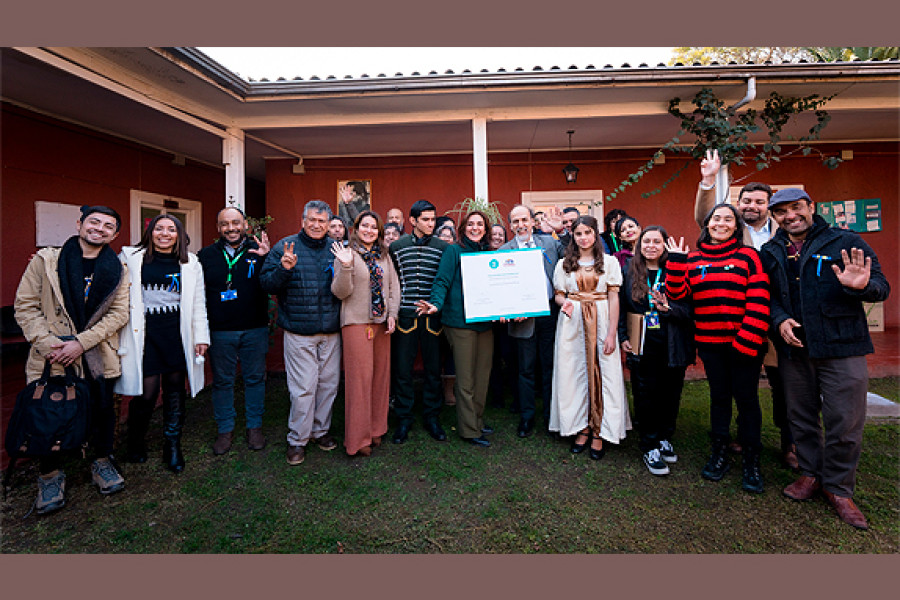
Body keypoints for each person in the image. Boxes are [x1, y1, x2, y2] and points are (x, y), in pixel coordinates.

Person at [760, 188, 890, 530]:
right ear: (774, 216)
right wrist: (778, 319)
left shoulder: (844, 240)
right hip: (795, 348)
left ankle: (839, 487)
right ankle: (810, 474)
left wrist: (860, 286)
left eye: (796, 208)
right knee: (800, 418)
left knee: (844, 421)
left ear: (811, 208)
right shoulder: (770, 251)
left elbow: (880, 285)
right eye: (782, 211)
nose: (790, 215)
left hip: (841, 345)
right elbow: (767, 296)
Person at [14, 206, 130, 514]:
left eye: (108, 226)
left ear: (115, 234)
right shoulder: (46, 261)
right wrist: (48, 344)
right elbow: (26, 306)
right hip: (51, 353)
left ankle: (102, 461)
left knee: (103, 409)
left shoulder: (118, 269)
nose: (100, 229)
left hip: (95, 353)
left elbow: (120, 313)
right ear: (80, 223)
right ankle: (50, 475)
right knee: (49, 412)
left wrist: (81, 342)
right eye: (94, 222)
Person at [695, 149, 796, 469]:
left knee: (785, 386)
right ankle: (735, 439)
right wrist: (708, 181)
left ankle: (790, 442)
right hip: (731, 328)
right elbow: (706, 215)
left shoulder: (783, 233)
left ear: (769, 206)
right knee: (732, 390)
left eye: (759, 202)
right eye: (746, 201)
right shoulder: (730, 234)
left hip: (778, 316)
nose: (751, 206)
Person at [665, 203, 770, 493]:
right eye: (715, 219)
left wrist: (746, 340)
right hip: (710, 344)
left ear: (736, 226)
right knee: (719, 398)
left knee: (747, 401)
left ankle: (751, 460)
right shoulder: (694, 259)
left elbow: (760, 299)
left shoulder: (749, 256)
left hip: (745, 343)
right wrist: (675, 261)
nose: (720, 223)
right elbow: (677, 294)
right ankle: (719, 452)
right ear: (707, 224)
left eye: (727, 219)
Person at [116, 214, 210, 474]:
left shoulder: (190, 262)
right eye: (159, 229)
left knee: (174, 390)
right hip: (143, 336)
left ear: (179, 234)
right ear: (150, 232)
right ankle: (135, 440)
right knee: (146, 392)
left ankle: (172, 444)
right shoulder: (130, 258)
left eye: (171, 229)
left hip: (176, 336)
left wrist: (201, 337)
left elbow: (198, 303)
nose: (165, 234)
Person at [260, 200, 342, 466]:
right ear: (303, 221)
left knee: (328, 385)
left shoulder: (337, 249)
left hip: (331, 331)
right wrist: (284, 269)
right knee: (303, 388)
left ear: (329, 224)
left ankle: (320, 431)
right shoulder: (286, 247)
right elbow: (266, 284)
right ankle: (297, 439)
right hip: (299, 332)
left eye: (322, 221)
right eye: (312, 220)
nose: (317, 225)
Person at [618, 226, 694, 476]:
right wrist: (622, 336)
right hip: (642, 341)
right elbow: (618, 306)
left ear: (665, 246)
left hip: (672, 342)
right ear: (639, 246)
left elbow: (690, 311)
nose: (651, 245)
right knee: (645, 394)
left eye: (657, 241)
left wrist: (668, 309)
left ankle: (664, 436)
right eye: (646, 241)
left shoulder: (679, 270)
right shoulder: (629, 271)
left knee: (671, 394)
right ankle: (649, 444)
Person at [551, 215, 628, 459]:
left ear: (596, 234)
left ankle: (600, 430)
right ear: (573, 237)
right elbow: (558, 295)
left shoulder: (610, 263)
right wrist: (566, 303)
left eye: (588, 232)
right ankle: (580, 427)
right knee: (573, 373)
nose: (583, 238)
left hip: (602, 319)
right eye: (578, 233)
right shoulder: (564, 263)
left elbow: (614, 298)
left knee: (604, 372)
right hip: (572, 324)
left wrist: (612, 333)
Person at [197, 207, 271, 456]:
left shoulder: (258, 251)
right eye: (225, 224)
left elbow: (274, 281)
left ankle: (254, 427)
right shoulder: (205, 256)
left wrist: (268, 257)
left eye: (236, 223)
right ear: (218, 228)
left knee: (254, 379)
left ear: (245, 225)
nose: (231, 228)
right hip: (220, 331)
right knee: (223, 381)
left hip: (255, 328)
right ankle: (225, 429)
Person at [417, 211, 494, 447]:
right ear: (463, 228)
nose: (475, 228)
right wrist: (436, 304)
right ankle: (469, 429)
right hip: (459, 322)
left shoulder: (490, 253)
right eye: (470, 224)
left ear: (485, 228)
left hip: (485, 322)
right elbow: (442, 280)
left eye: (479, 224)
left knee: (482, 377)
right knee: (466, 378)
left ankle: (477, 420)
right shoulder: (454, 251)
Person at [331, 211, 400, 457]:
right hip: (357, 323)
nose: (369, 230)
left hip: (382, 323)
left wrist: (392, 314)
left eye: (374, 227)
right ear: (356, 228)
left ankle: (376, 429)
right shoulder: (345, 254)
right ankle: (357, 439)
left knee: (380, 378)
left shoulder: (384, 255)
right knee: (359, 382)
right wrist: (347, 267)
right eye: (365, 226)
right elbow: (340, 292)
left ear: (379, 231)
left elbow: (393, 286)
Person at [500, 205, 565, 437]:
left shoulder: (549, 243)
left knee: (549, 367)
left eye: (524, 220)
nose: (521, 225)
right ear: (510, 226)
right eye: (515, 221)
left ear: (532, 222)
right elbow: (501, 288)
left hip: (549, 312)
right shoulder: (504, 250)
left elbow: (572, 255)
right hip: (522, 317)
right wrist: (508, 309)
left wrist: (563, 231)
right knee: (525, 369)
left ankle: (551, 417)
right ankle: (527, 418)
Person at [388, 200, 449, 444]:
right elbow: (391, 282)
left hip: (433, 318)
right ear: (412, 221)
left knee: (434, 370)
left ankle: (432, 417)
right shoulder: (397, 246)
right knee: (403, 371)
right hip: (405, 317)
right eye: (426, 219)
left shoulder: (443, 247)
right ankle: (404, 419)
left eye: (433, 219)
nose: (431, 224)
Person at [487, 223, 518, 410]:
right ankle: (496, 397)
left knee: (511, 357)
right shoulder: (479, 257)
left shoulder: (511, 256)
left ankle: (515, 397)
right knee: (492, 358)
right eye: (493, 234)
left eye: (501, 234)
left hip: (510, 317)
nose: (497, 237)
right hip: (488, 319)